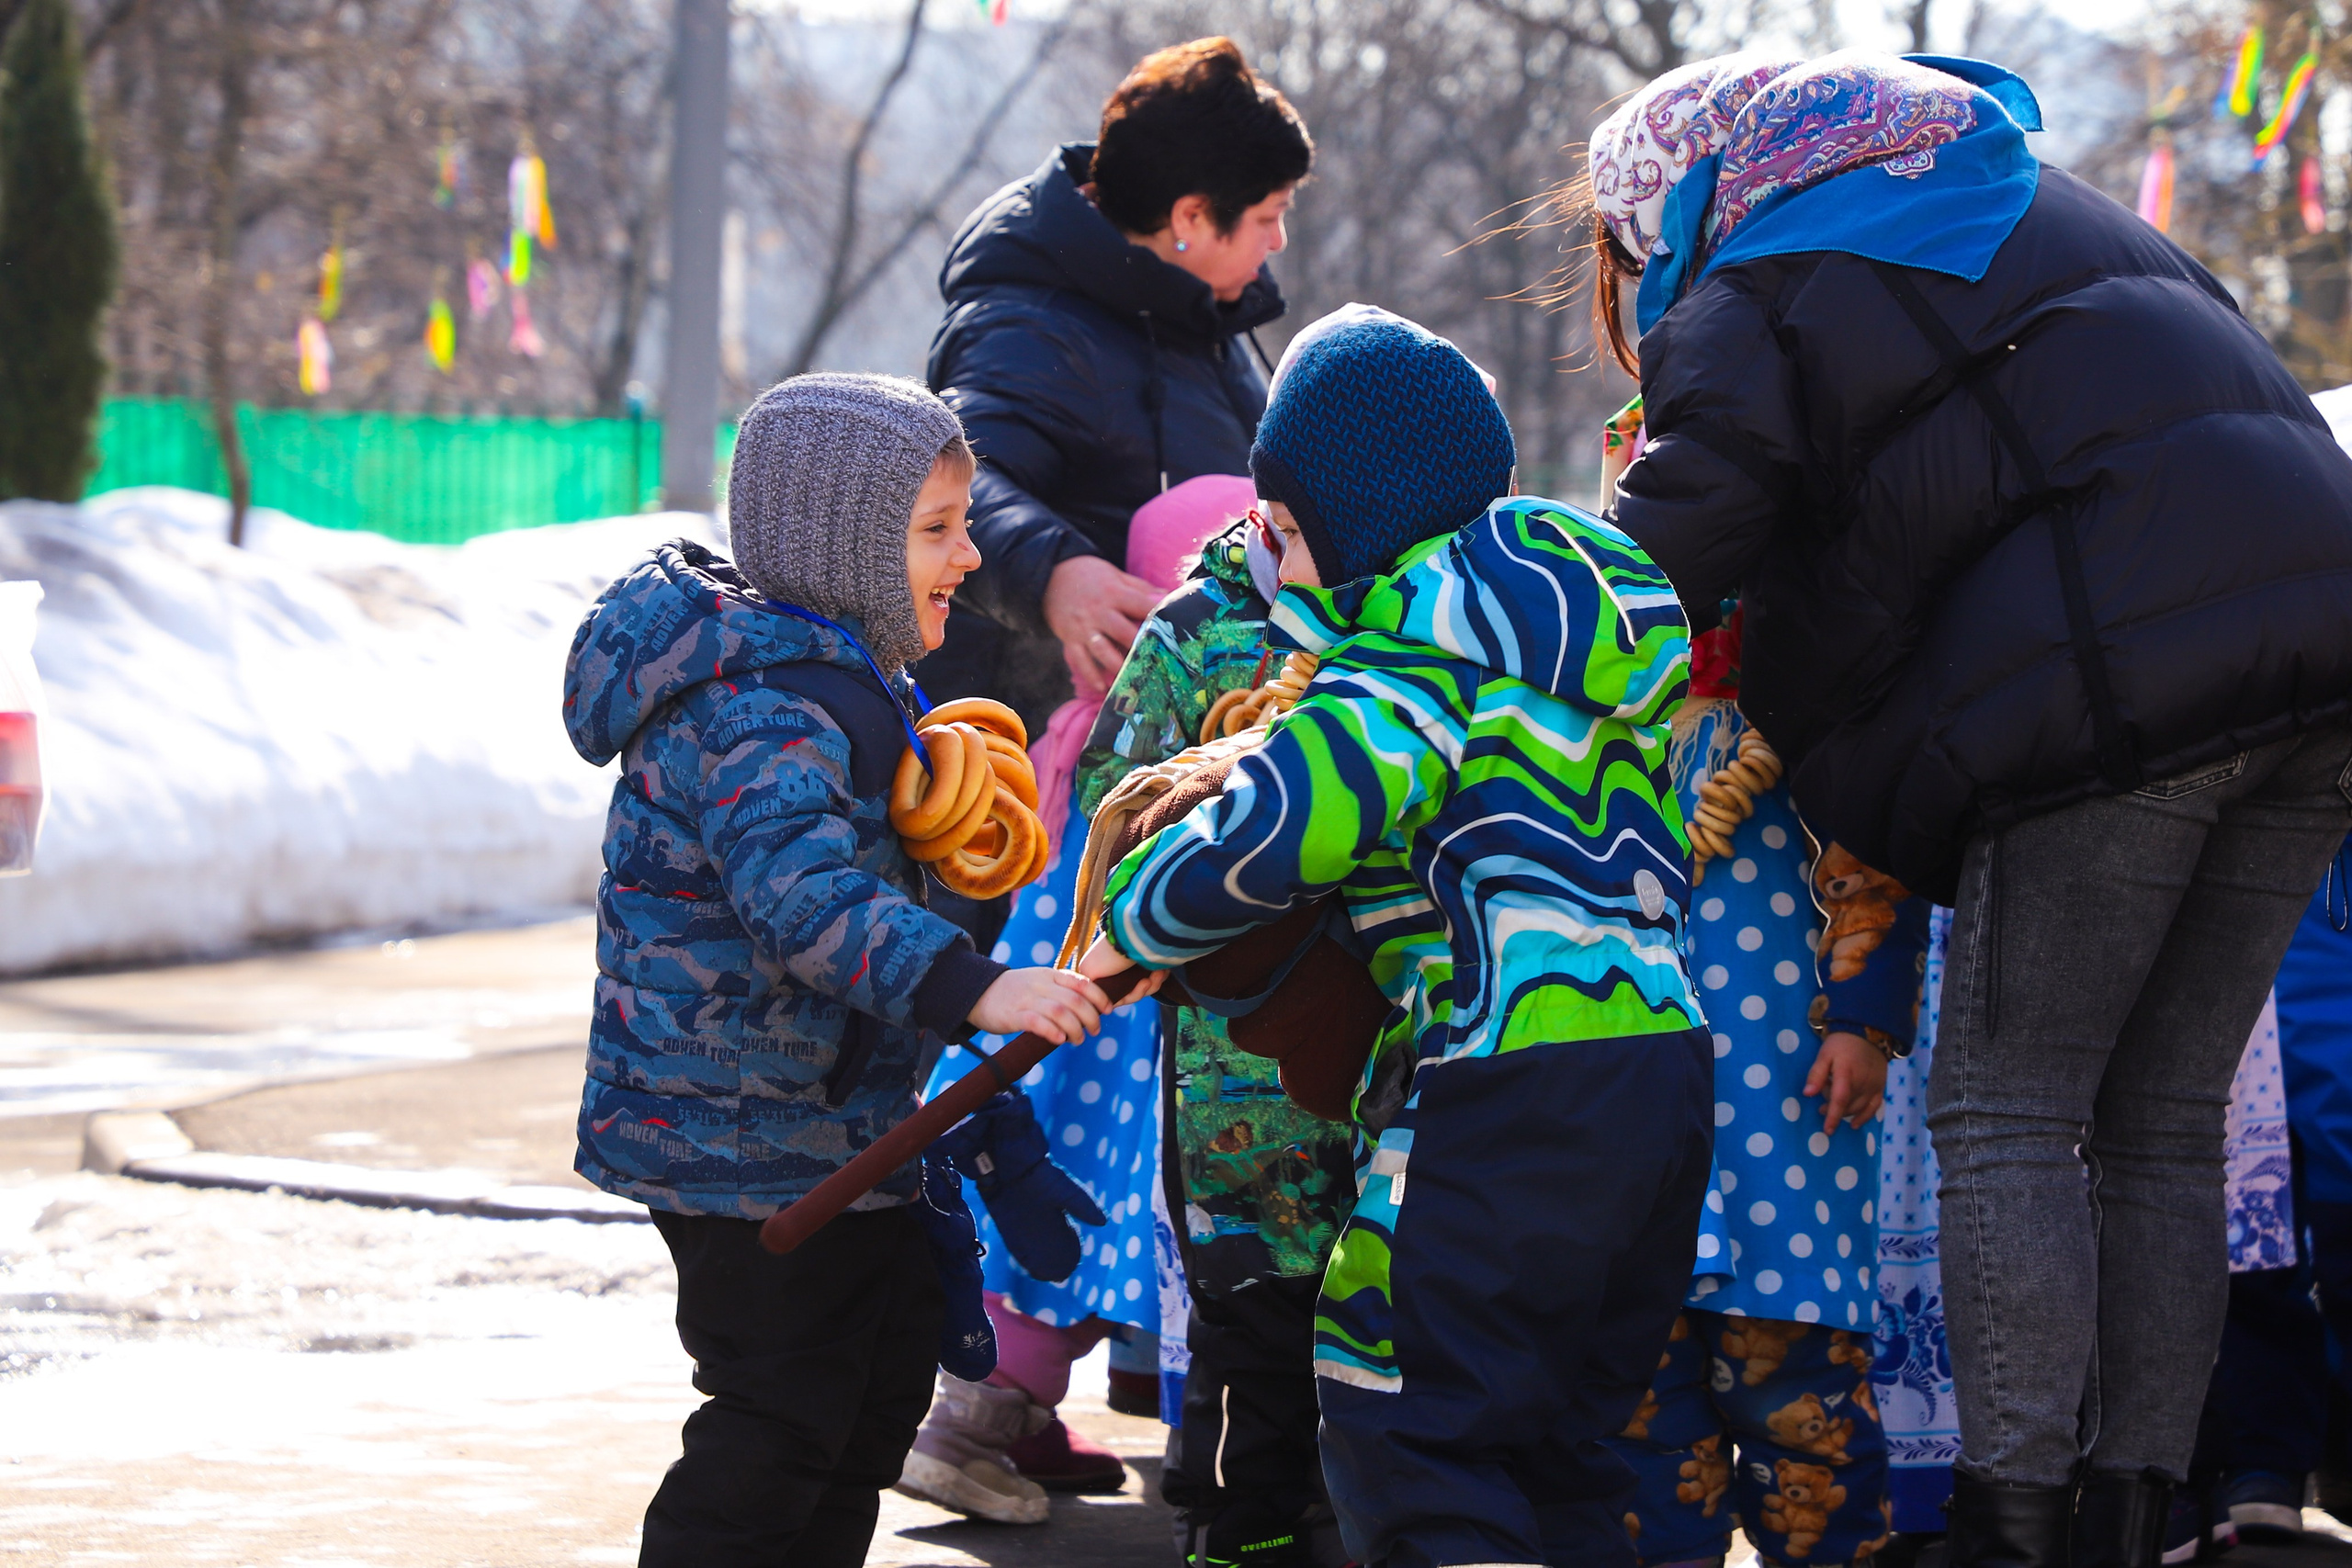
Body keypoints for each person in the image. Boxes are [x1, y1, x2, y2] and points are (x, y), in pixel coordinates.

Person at [1583, 49, 2352, 1568]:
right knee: (2162, 1121)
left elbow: (1677, 541)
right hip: (2324, 646)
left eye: (1632, 252)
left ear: (1675, 196)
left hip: (2132, 683)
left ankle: (2013, 1532)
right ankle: (2129, 1516)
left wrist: (1503, 655)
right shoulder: (2033, 203)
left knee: (2010, 1107)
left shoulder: (1763, 272)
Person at [1079, 312, 1716, 1568]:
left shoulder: (1411, 653)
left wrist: (1125, 927)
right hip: (1661, 1076)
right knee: (1564, 1438)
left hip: (1501, 1085)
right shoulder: (1589, 638)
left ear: (1357, 522)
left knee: (1400, 1411)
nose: (1279, 563)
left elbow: (1293, 813)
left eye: (1291, 532)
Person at [561, 372, 1115, 1567]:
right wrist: (976, 985)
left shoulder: (837, 676)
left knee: (870, 1385)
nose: (970, 555)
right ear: (839, 542)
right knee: (780, 1414)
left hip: (823, 1122)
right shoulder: (762, 708)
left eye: (964, 523)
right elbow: (802, 901)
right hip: (733, 1130)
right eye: (935, 529)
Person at [897, 473, 1261, 1524]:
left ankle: (988, 1418)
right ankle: (993, 1428)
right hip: (1131, 1059)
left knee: (1049, 1234)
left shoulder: (1082, 737)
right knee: (1133, 1238)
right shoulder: (1203, 766)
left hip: (1058, 1056)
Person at [1602, 400, 1925, 1567]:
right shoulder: (1605, 738)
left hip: (1789, 1119)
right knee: (1643, 1415)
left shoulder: (1817, 730)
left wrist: (1868, 1024)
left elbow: (1875, 873)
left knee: (1802, 1413)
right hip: (1637, 1135)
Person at [1071, 473, 1360, 1568]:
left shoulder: (1411, 618)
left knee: (1381, 1310)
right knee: (1257, 1327)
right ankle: (1245, 1533)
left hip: (1382, 1047)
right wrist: (1223, 806)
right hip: (1234, 1062)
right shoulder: (1197, 632)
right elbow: (1111, 805)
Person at [920, 35, 1312, 732]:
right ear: (1191, 217)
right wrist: (1055, 576)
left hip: (1163, 728)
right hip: (1028, 754)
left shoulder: (1201, 316)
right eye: (1267, 216)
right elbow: (946, 477)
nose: (1278, 241)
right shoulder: (1030, 326)